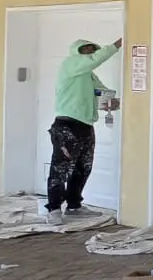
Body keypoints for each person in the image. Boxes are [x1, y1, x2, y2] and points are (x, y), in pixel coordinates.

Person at [46, 37, 122, 218]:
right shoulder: (70, 64)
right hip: (67, 125)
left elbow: (101, 93)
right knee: (61, 168)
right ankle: (54, 209)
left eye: (91, 49)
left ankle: (74, 206)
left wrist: (110, 102)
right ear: (77, 52)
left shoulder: (89, 75)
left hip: (86, 125)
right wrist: (116, 46)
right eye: (85, 49)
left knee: (83, 167)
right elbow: (94, 59)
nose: (89, 52)